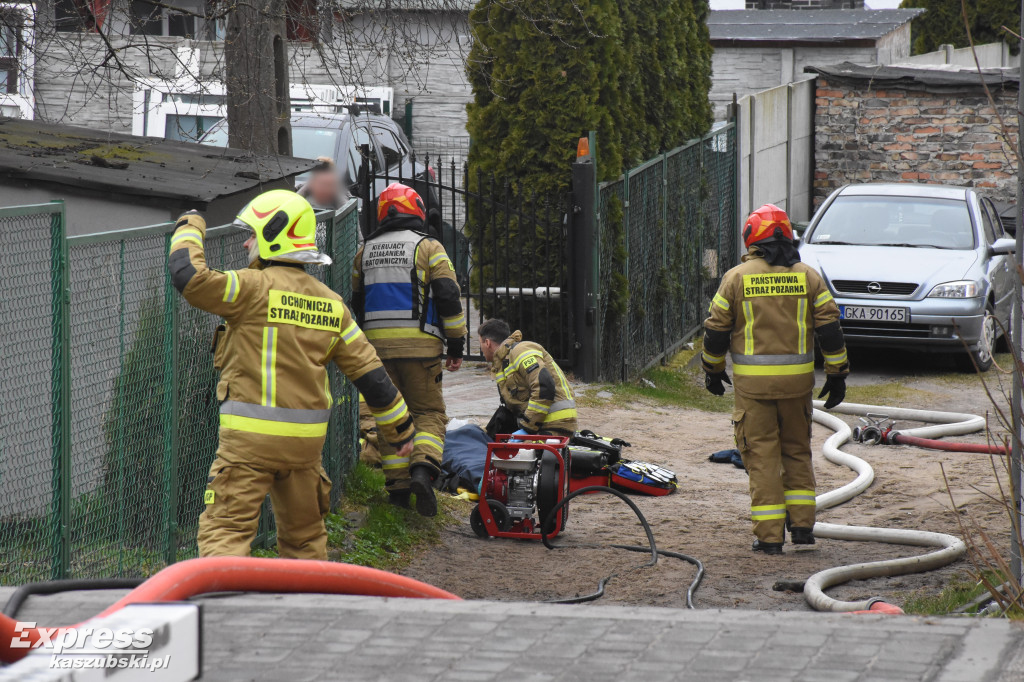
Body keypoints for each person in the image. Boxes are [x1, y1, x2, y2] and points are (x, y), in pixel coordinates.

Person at [168, 189, 415, 559]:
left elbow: (189, 277)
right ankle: (307, 614)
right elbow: (373, 378)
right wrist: (402, 433)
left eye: (252, 232)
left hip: (248, 445)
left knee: (225, 533)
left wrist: (190, 223)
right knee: (306, 543)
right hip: (305, 450)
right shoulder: (332, 305)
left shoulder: (250, 289)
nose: (247, 242)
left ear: (273, 234)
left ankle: (224, 612)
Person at [702, 203, 849, 556]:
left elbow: (716, 329)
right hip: (797, 387)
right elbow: (831, 328)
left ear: (752, 237)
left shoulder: (736, 277)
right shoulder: (808, 276)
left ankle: (769, 538)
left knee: (762, 457)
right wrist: (837, 374)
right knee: (797, 452)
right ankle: (802, 529)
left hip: (753, 390)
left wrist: (713, 369)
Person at [352, 182, 467, 516]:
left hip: (377, 354)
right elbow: (447, 295)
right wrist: (456, 343)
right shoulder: (428, 247)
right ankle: (422, 470)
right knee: (429, 414)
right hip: (421, 350)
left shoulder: (365, 251)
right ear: (414, 208)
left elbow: (357, 303)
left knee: (390, 419)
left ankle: (398, 492)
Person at [478, 319, 577, 439]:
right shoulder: (504, 362)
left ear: (487, 343)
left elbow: (544, 386)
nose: (481, 349)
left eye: (480, 344)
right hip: (542, 424)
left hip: (554, 425)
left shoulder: (520, 351)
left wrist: (527, 427)